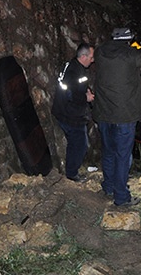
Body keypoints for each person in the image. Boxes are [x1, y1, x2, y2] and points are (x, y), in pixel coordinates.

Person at [92, 28, 141, 206]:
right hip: (124, 116)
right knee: (122, 155)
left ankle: (108, 187)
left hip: (104, 113)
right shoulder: (130, 54)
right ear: (129, 40)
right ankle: (121, 197)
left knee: (108, 152)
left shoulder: (100, 52)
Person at [51, 42, 95, 182]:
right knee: (79, 144)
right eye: (91, 57)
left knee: (76, 143)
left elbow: (78, 86)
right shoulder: (73, 71)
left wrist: (86, 90)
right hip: (69, 114)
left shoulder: (76, 67)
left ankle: (72, 172)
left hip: (67, 111)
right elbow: (71, 94)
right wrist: (85, 98)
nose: (93, 60)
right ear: (83, 56)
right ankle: (72, 174)